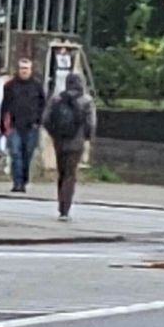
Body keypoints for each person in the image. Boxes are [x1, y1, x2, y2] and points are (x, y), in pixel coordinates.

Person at [42, 73, 96, 221]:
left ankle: (61, 203)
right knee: (70, 175)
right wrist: (87, 137)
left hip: (59, 141)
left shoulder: (57, 99)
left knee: (61, 172)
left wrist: (54, 133)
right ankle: (65, 209)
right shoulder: (86, 101)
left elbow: (46, 119)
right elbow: (91, 123)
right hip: (76, 142)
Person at [0, 58, 46, 193]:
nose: (24, 71)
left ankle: (24, 179)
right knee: (15, 154)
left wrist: (39, 121)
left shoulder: (37, 86)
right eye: (22, 68)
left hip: (32, 126)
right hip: (15, 126)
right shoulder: (10, 86)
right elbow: (5, 106)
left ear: (31, 70)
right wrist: (3, 125)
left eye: (26, 69)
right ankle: (17, 182)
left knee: (27, 155)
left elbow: (43, 105)